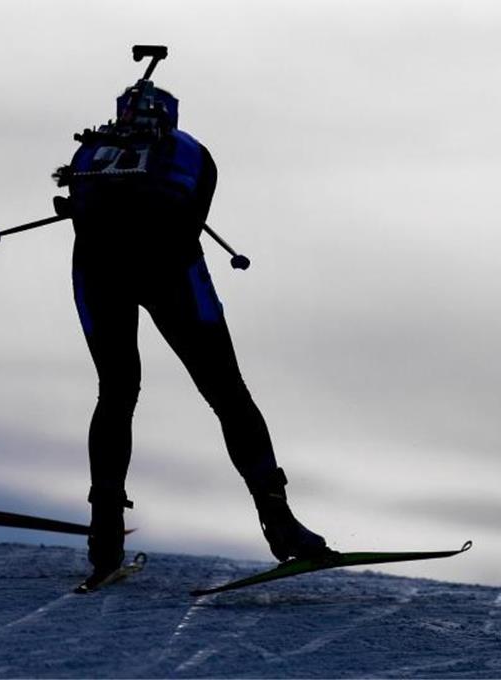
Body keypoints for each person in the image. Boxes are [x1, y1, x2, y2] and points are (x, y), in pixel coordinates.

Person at [59, 79, 329, 585]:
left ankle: (105, 533)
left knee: (116, 392)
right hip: (172, 273)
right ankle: (280, 522)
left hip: (98, 272)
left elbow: (78, 211)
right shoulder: (190, 151)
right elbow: (192, 219)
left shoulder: (90, 147)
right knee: (227, 392)